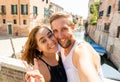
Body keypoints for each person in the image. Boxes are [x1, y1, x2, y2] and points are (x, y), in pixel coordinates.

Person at [50, 12, 103, 82]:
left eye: (64, 29)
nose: (60, 36)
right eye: (55, 31)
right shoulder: (62, 47)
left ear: (72, 28)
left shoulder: (81, 51)